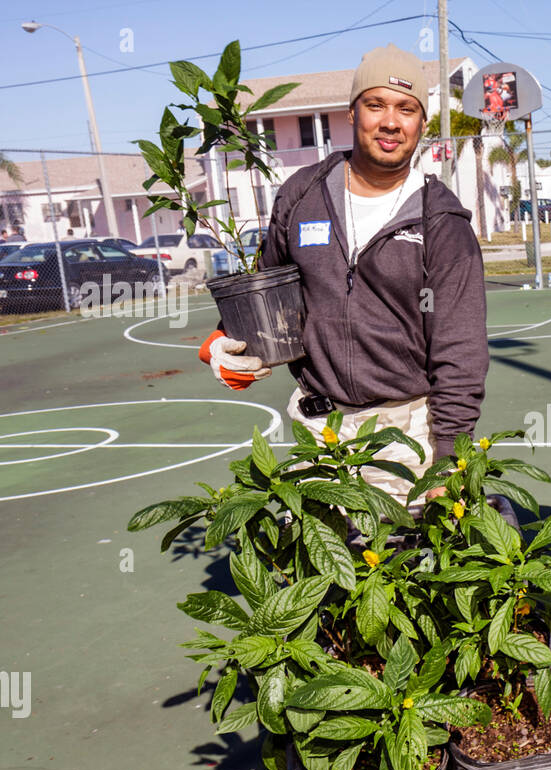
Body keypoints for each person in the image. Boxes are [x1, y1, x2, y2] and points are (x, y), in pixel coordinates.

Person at [197, 43, 489, 498]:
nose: (390, 121)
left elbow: (461, 349)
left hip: (406, 440)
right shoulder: (302, 194)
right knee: (317, 565)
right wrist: (227, 341)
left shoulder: (442, 223)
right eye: (376, 105)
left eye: (406, 109)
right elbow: (269, 289)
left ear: (421, 124)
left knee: (400, 565)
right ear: (352, 113)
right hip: (317, 433)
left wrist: (449, 456)